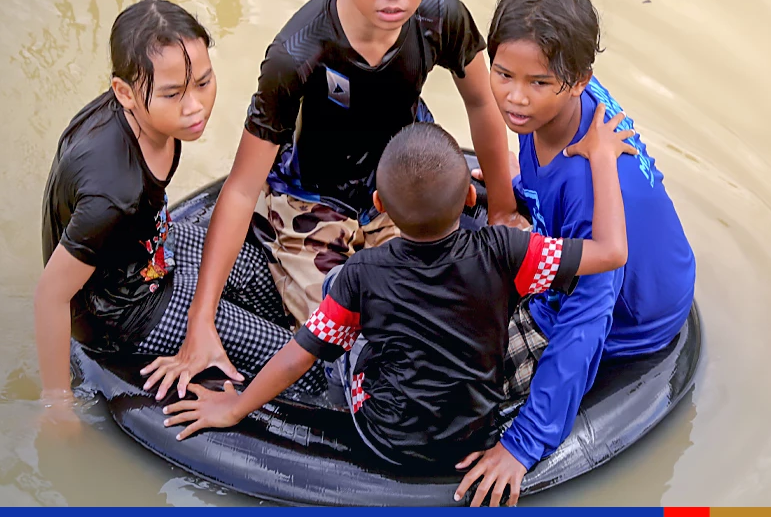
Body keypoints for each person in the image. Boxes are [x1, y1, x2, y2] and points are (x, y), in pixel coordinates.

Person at [141, 0, 525, 401]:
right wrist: (200, 322)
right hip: (312, 198)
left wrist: (501, 206)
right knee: (354, 335)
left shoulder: (439, 16)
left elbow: (481, 102)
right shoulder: (298, 53)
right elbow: (240, 186)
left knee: (446, 315)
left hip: (403, 186)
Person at [161, 115, 634, 484]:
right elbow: (612, 252)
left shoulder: (360, 275)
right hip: (477, 431)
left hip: (387, 437)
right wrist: (603, 160)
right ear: (472, 196)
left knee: (333, 303)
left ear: (380, 206)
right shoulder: (506, 250)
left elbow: (297, 355)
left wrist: (238, 406)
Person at [455, 0, 697, 505]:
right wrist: (508, 193)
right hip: (583, 253)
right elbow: (542, 173)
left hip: (627, 319)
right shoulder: (546, 106)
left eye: (538, 82)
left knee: (448, 357)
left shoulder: (589, 185)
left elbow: (587, 320)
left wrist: (522, 446)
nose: (515, 97)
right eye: (502, 74)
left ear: (579, 80)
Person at [36, 0, 323, 433]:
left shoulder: (145, 119)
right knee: (306, 362)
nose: (196, 107)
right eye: (174, 94)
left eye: (204, 83)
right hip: (127, 314)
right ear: (124, 93)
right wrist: (57, 404)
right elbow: (50, 296)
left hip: (150, 251)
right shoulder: (114, 194)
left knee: (259, 278)